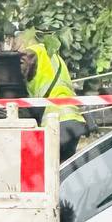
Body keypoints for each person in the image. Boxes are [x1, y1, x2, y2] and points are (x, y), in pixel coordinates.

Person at [20, 33, 87, 162]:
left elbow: (15, 76)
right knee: (62, 171)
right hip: (73, 119)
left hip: (57, 122)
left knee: (44, 166)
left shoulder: (32, 53)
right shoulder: (54, 57)